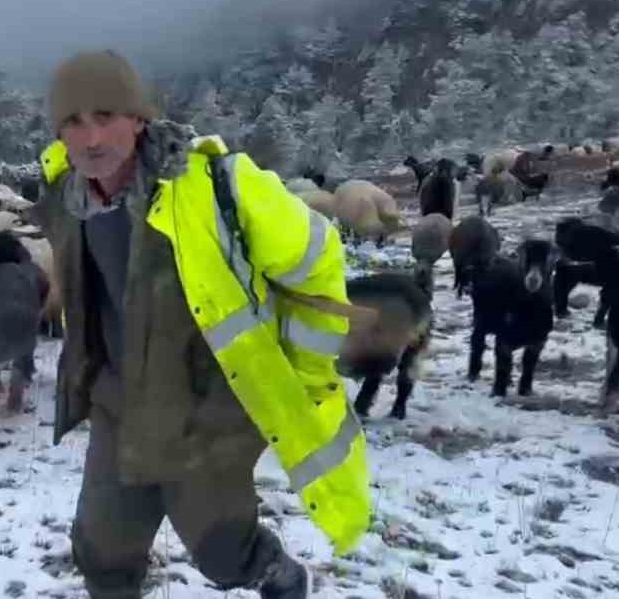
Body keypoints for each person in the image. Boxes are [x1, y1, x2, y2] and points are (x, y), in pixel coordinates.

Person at [34, 50, 371, 599]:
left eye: (106, 117)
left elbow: (317, 259)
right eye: (73, 122)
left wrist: (306, 366)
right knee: (101, 551)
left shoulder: (217, 184)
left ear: (138, 118)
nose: (91, 138)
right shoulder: (64, 198)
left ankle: (280, 578)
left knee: (221, 550)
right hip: (118, 405)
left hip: (207, 413)